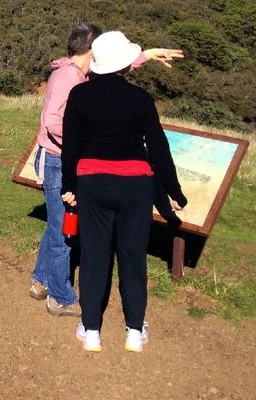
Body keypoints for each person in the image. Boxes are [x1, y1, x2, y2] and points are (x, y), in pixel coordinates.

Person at [30, 23, 183, 317]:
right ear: (90, 50)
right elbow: (52, 121)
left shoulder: (76, 72)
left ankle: (40, 281)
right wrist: (86, 139)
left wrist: (147, 55)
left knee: (56, 226)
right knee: (64, 232)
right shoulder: (69, 78)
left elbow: (114, 68)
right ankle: (60, 296)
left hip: (60, 158)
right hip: (58, 160)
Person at [60, 31, 188, 353]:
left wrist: (69, 185)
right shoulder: (142, 99)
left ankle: (91, 330)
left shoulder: (79, 95)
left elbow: (71, 147)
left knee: (94, 256)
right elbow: (159, 148)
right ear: (127, 65)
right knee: (132, 258)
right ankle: (134, 330)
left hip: (93, 184)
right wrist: (174, 191)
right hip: (136, 187)